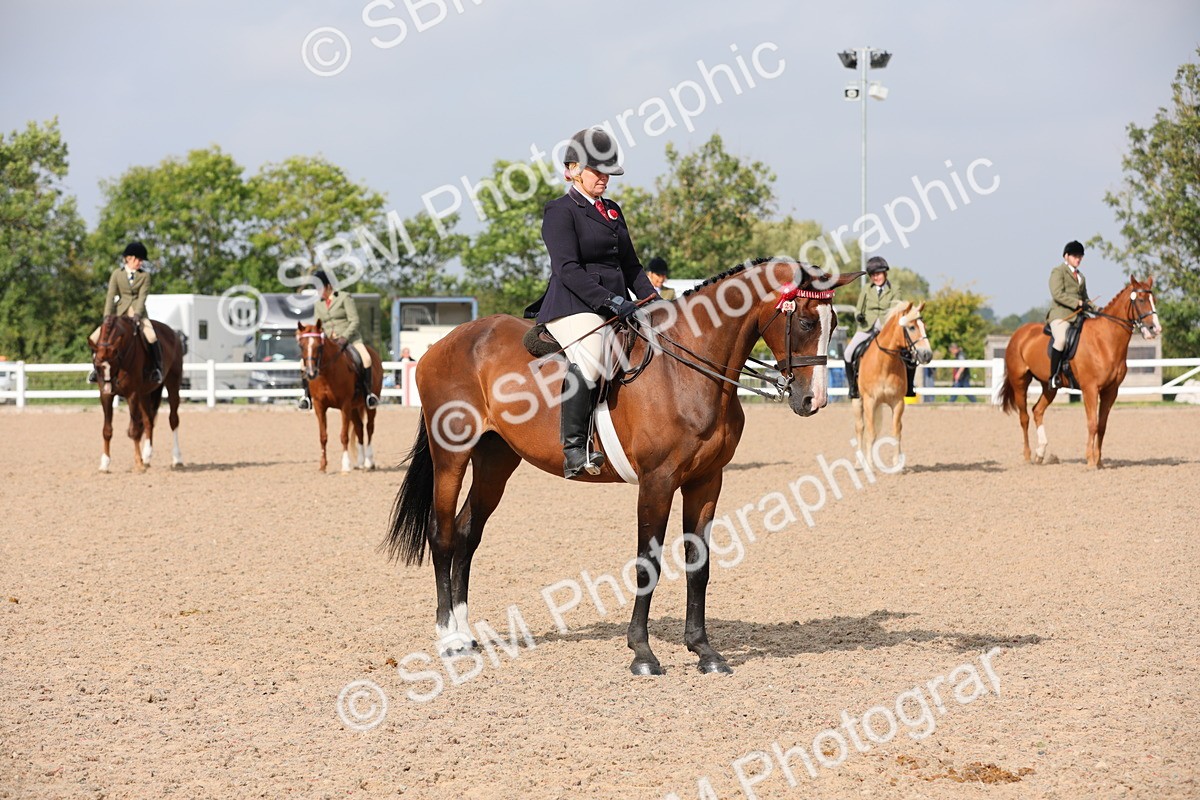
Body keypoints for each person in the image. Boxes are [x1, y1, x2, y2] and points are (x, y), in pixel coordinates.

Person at [523, 127, 659, 479]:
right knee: (593, 354)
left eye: (607, 173)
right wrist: (610, 300)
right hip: (574, 305)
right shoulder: (559, 211)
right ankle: (574, 448)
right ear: (572, 170)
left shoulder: (612, 211)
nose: (604, 179)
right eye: (597, 172)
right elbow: (567, 269)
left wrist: (654, 302)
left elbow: (631, 266)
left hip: (616, 304)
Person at [298, 271, 379, 410]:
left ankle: (368, 394)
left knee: (366, 359)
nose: (318, 292)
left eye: (320, 288)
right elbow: (319, 326)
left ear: (328, 286)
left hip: (350, 339)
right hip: (328, 341)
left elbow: (354, 321)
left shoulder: (344, 298)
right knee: (303, 363)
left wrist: (344, 337)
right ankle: (307, 396)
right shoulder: (319, 304)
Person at [87, 241, 162, 385]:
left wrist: (138, 315)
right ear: (129, 258)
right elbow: (110, 295)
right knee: (94, 338)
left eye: (141, 260)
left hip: (138, 313)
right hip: (119, 313)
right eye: (138, 259)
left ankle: (156, 369)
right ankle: (96, 370)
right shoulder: (117, 274)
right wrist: (107, 316)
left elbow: (142, 297)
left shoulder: (145, 276)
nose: (140, 263)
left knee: (151, 336)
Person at [843, 256, 901, 399]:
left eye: (879, 274)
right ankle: (853, 387)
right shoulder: (866, 290)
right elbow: (858, 309)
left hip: (886, 327)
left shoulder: (895, 290)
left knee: (908, 354)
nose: (876, 277)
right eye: (873, 275)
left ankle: (909, 385)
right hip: (866, 327)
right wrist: (859, 316)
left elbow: (895, 310)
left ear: (885, 273)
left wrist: (886, 324)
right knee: (848, 353)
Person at [1046, 240, 1095, 389]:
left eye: (1080, 256)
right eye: (1075, 256)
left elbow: (1085, 298)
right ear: (1066, 256)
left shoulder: (1081, 277)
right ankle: (1053, 376)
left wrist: (1097, 309)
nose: (1078, 259)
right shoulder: (1058, 271)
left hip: (1079, 316)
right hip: (1061, 315)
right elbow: (1057, 294)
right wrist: (1078, 303)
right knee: (1060, 340)